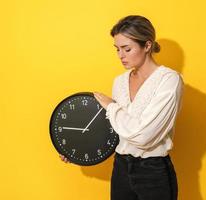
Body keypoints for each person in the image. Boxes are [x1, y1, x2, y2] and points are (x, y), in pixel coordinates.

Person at [59, 15, 184, 200]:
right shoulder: (119, 82)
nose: (120, 55)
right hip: (121, 169)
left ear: (147, 46)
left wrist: (111, 106)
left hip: (153, 172)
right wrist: (75, 146)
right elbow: (117, 131)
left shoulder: (169, 80)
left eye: (127, 49)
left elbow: (143, 136)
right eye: (117, 49)